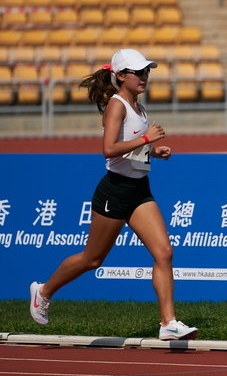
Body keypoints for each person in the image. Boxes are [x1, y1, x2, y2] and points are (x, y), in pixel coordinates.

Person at [29, 49, 198, 341]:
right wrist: (147, 139)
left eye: (147, 71)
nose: (144, 77)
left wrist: (153, 152)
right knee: (93, 259)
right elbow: (108, 150)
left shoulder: (140, 109)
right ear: (121, 76)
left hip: (139, 190)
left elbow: (130, 149)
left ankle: (168, 323)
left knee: (164, 252)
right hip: (115, 190)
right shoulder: (117, 105)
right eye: (138, 72)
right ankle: (43, 291)